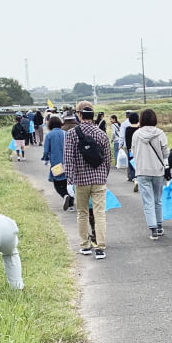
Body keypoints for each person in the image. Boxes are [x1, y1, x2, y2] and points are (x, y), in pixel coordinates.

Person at [64, 100, 112, 260]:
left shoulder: (71, 134)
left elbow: (68, 159)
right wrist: (104, 175)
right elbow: (107, 159)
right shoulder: (101, 134)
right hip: (99, 179)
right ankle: (100, 247)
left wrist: (70, 180)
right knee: (99, 213)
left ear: (79, 115)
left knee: (82, 213)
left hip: (80, 180)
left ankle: (85, 245)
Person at [131, 109, 169, 240]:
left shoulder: (136, 134)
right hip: (158, 170)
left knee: (147, 201)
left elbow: (133, 152)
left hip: (142, 171)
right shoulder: (160, 133)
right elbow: (165, 153)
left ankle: (153, 229)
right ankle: (159, 226)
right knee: (157, 200)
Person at [42, 114, 72, 211]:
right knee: (69, 183)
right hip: (67, 163)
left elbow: (46, 150)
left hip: (56, 164)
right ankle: (71, 204)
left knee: (57, 184)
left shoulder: (49, 135)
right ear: (60, 123)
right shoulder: (65, 133)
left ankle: (64, 195)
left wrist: (45, 159)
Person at [123, 111, 140, 190]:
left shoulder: (128, 129)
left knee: (132, 164)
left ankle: (134, 179)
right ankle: (139, 178)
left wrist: (129, 148)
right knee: (139, 164)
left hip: (131, 150)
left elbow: (127, 140)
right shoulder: (140, 129)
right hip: (140, 149)